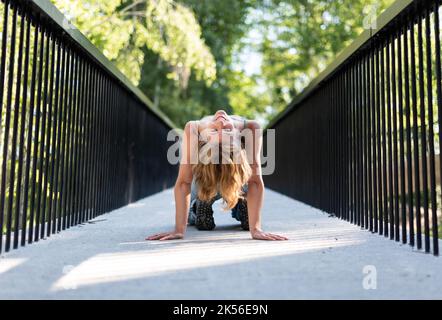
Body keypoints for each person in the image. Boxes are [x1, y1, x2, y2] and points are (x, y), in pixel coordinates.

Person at [146, 110, 288, 241]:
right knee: (200, 187)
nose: (220, 122)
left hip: (234, 176)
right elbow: (184, 182)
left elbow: (255, 182)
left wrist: (256, 228)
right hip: (206, 177)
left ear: (240, 138)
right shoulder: (193, 129)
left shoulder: (251, 128)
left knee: (244, 175)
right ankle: (202, 202)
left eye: (225, 130)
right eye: (217, 130)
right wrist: (179, 229)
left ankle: (237, 202)